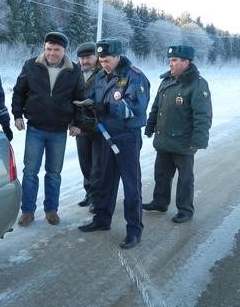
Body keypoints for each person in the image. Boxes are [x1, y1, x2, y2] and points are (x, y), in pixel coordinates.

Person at [77, 39, 150, 249]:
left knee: (131, 184)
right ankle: (102, 219)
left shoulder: (134, 77)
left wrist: (106, 108)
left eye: (107, 60)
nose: (103, 63)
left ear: (118, 57)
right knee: (104, 180)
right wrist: (87, 106)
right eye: (101, 59)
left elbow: (135, 109)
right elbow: (93, 97)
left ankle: (134, 230)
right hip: (105, 135)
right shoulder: (101, 75)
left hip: (127, 137)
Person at [12, 32, 85, 227]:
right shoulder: (31, 65)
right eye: (48, 49)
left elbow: (79, 98)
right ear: (44, 48)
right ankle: (27, 211)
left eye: (56, 50)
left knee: (54, 173)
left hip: (59, 131)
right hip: (35, 128)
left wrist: (77, 122)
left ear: (64, 51)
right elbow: (19, 91)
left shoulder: (74, 70)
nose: (52, 53)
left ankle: (51, 210)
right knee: (30, 172)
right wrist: (17, 114)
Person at [143, 45, 212, 223]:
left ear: (186, 62)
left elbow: (203, 115)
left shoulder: (197, 84)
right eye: (169, 60)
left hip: (184, 142)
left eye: (174, 60)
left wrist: (198, 140)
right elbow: (156, 107)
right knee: (161, 174)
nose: (170, 64)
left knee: (185, 179)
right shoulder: (166, 81)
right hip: (164, 139)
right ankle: (160, 202)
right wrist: (150, 126)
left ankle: (185, 210)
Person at [73, 42, 103, 211]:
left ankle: (97, 199)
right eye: (82, 58)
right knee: (85, 163)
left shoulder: (103, 72)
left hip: (99, 126)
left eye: (88, 58)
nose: (84, 61)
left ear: (96, 56)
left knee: (98, 165)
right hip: (81, 126)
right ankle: (89, 193)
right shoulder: (74, 72)